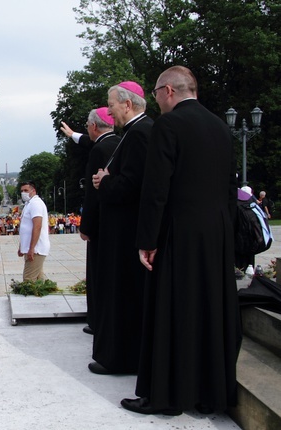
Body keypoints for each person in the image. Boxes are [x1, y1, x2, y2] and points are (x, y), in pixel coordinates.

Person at [122, 66, 241, 416]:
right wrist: (227, 235)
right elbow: (230, 189)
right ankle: (209, 394)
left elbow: (156, 189)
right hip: (216, 233)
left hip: (179, 232)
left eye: (156, 92)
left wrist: (147, 239)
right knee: (209, 310)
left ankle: (165, 395)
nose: (155, 99)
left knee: (171, 309)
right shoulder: (221, 127)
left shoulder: (169, 125)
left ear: (169, 91)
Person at [90, 81, 152, 375]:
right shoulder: (133, 133)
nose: (110, 111)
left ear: (127, 104)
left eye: (112, 104)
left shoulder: (139, 134)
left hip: (126, 231)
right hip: (125, 229)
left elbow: (134, 184)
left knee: (124, 296)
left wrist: (105, 181)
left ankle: (122, 358)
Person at [78, 107, 120, 336]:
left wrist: (86, 226)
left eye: (87, 125)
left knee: (97, 274)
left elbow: (93, 193)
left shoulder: (99, 148)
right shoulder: (120, 142)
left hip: (101, 223)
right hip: (116, 221)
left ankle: (96, 320)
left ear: (94, 126)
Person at [17, 181, 50, 281]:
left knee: (29, 279)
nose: (23, 193)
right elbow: (25, 228)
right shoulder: (29, 204)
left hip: (36, 249)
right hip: (31, 248)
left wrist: (32, 248)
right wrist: (21, 246)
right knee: (39, 280)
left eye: (26, 190)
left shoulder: (36, 204)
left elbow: (37, 226)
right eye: (22, 191)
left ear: (33, 190)